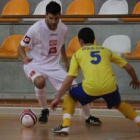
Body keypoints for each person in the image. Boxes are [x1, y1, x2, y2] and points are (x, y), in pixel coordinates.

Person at [18, 2, 101, 125]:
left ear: (60, 15)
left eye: (56, 18)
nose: (53, 21)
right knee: (40, 82)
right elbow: (20, 47)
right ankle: (44, 109)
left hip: (53, 66)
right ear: (46, 15)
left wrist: (66, 60)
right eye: (50, 18)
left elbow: (61, 44)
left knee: (75, 89)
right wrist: (24, 57)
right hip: (34, 63)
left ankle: (88, 117)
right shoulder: (36, 29)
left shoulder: (63, 29)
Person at [51, 27, 140, 134]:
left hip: (90, 88)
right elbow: (129, 67)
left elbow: (70, 79)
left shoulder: (78, 54)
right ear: (94, 40)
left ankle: (65, 125)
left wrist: (57, 97)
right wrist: (135, 80)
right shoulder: (105, 50)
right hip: (110, 86)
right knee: (119, 104)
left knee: (70, 95)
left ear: (80, 41)